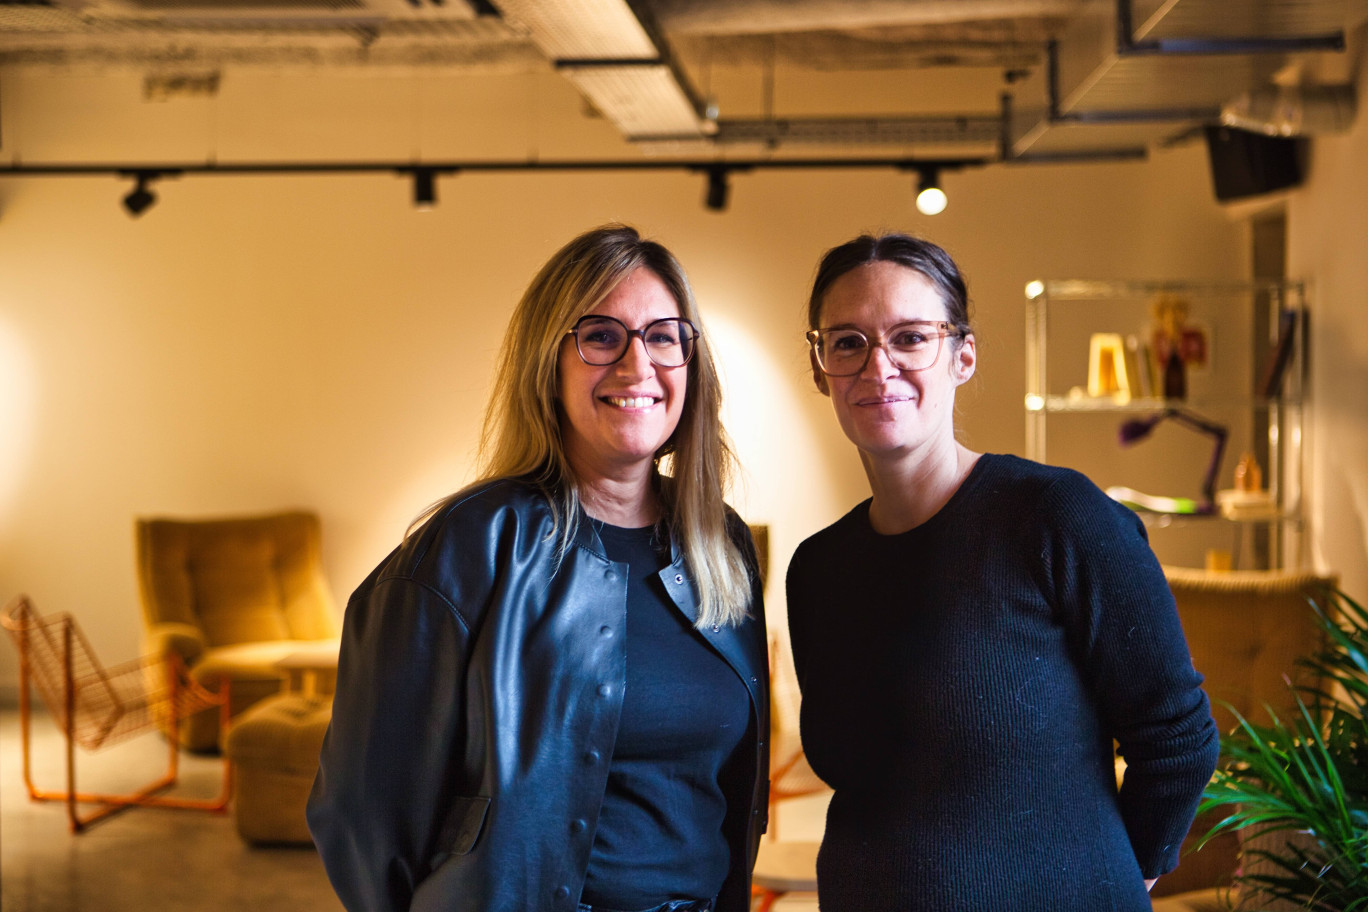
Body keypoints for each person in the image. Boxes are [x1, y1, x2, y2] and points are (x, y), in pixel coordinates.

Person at [308, 224, 769, 912]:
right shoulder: (469, 545)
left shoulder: (720, 544)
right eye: (600, 335)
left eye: (664, 335)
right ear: (546, 362)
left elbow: (730, 792)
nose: (636, 364)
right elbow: (363, 811)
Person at [785, 233, 1218, 911]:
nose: (879, 366)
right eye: (848, 342)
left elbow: (1178, 738)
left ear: (964, 355)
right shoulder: (818, 567)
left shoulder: (1056, 516)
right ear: (819, 368)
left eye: (910, 337)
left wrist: (1110, 888)